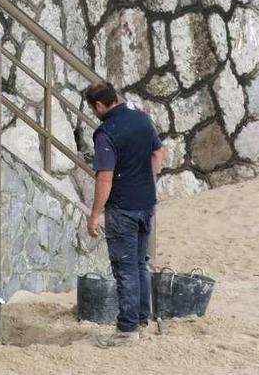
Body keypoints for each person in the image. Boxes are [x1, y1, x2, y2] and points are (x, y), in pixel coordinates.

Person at [82, 82, 166, 347]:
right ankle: (141, 319)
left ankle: (127, 329)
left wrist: (94, 214)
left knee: (125, 268)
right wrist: (146, 179)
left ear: (98, 106)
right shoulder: (141, 118)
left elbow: (105, 177)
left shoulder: (105, 133)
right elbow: (158, 152)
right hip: (145, 203)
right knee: (140, 262)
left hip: (123, 208)